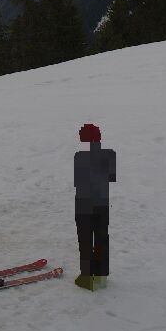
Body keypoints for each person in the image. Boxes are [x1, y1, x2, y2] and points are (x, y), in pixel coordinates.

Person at [74, 124, 116, 290]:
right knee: (101, 239)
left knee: (85, 240)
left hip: (84, 204)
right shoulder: (110, 154)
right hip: (102, 204)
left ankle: (86, 276)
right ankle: (101, 276)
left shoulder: (79, 156)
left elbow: (78, 181)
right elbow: (111, 177)